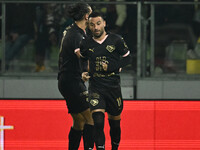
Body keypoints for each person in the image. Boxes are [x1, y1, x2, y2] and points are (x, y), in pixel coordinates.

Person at [80, 12, 131, 150]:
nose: (95, 27)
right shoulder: (86, 43)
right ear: (88, 26)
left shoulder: (116, 40)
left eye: (98, 23)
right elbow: (82, 59)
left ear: (104, 24)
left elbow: (127, 58)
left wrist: (113, 66)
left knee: (115, 124)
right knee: (98, 122)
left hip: (113, 88)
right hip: (96, 88)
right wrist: (83, 72)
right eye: (92, 24)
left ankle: (115, 147)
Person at [57, 2, 94, 150]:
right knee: (91, 118)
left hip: (67, 80)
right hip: (72, 82)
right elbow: (82, 55)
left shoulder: (72, 30)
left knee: (79, 121)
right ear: (86, 16)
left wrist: (81, 73)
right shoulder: (77, 35)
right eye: (90, 15)